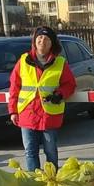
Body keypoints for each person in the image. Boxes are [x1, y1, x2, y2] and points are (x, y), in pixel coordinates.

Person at [8, 26, 77, 171]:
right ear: (34, 41)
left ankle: (52, 181)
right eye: (39, 38)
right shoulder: (23, 61)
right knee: (30, 152)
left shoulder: (60, 63)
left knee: (51, 152)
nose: (42, 41)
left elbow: (70, 84)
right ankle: (35, 182)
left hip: (49, 115)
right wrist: (13, 111)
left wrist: (60, 94)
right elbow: (15, 86)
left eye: (46, 39)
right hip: (27, 113)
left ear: (52, 44)